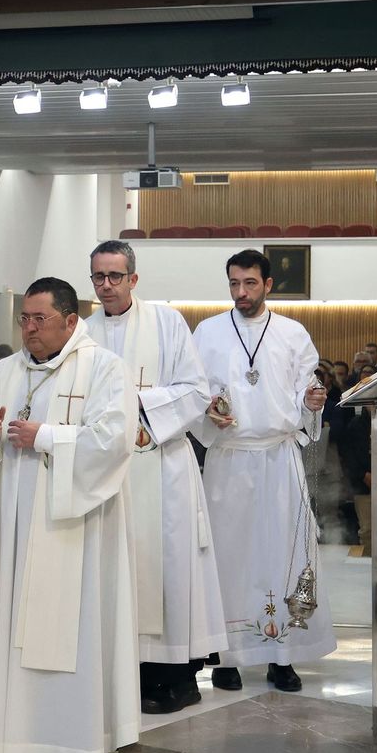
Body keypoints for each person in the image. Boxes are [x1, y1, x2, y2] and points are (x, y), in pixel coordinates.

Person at [0, 278, 139, 753]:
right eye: (25, 319)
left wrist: (47, 437)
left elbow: (114, 440)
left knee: (71, 624)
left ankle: (72, 737)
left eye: (41, 319)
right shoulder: (7, 371)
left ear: (71, 321)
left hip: (76, 524)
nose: (30, 329)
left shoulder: (104, 368)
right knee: (15, 613)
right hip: (16, 524)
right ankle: (14, 734)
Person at [84, 241, 227, 715]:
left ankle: (177, 680)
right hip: (110, 472)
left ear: (134, 278)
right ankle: (124, 676)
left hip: (163, 468)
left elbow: (194, 389)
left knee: (168, 571)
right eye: (99, 276)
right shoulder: (83, 333)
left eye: (115, 276)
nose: (107, 285)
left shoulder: (167, 323)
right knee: (119, 569)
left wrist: (137, 408)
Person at [191, 249, 336, 694]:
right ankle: (228, 657)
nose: (241, 292)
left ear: (268, 284)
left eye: (250, 283)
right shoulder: (208, 332)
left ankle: (282, 656)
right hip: (229, 458)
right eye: (234, 283)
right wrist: (207, 412)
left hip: (278, 457)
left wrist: (311, 401)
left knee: (285, 555)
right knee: (228, 557)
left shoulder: (292, 333)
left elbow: (307, 391)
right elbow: (193, 391)